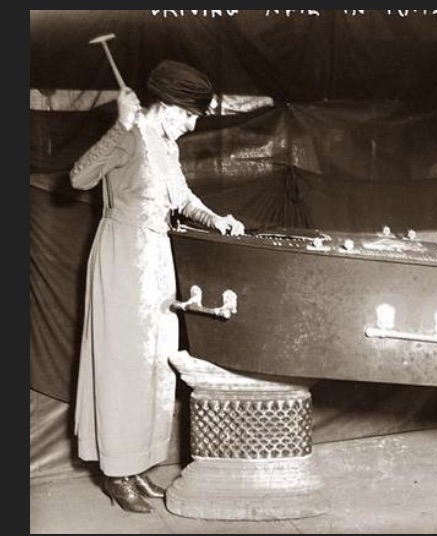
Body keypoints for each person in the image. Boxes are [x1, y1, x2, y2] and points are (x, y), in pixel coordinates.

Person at [70, 60, 245, 513]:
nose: (191, 125)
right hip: (122, 259)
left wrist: (216, 219)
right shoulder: (129, 135)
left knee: (154, 365)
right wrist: (120, 124)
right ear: (166, 106)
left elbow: (181, 197)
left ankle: (136, 465)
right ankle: (115, 473)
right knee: (122, 366)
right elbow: (79, 177)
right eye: (188, 115)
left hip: (157, 263)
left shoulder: (167, 145)